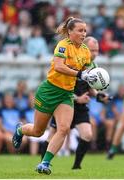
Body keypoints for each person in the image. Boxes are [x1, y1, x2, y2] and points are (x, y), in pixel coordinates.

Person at [12, 17, 97, 175]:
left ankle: (45, 163)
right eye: (80, 30)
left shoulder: (85, 50)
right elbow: (58, 66)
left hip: (66, 94)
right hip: (49, 91)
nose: (83, 33)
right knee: (38, 131)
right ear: (70, 32)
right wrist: (80, 74)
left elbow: (88, 73)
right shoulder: (63, 45)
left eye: (85, 30)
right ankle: (20, 130)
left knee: (63, 129)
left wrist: (96, 79)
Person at [40, 36, 111, 169]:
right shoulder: (73, 64)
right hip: (65, 103)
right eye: (92, 50)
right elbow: (62, 87)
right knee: (53, 134)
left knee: (88, 134)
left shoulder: (94, 67)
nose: (94, 54)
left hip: (80, 107)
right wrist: (77, 98)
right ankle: (43, 163)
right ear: (84, 49)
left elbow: (90, 89)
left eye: (97, 50)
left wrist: (99, 96)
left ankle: (77, 166)